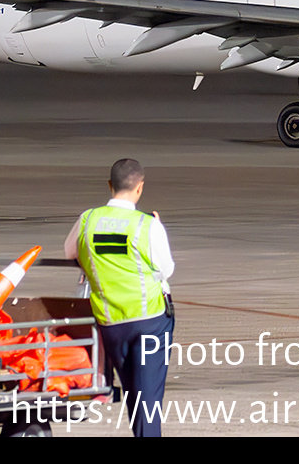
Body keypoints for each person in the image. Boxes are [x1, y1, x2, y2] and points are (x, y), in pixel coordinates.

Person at [64, 158, 175, 437]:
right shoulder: (145, 224)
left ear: (110, 186)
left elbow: (70, 251)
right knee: (148, 400)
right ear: (140, 188)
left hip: (112, 323)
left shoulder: (88, 219)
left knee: (134, 395)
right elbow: (166, 269)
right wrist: (159, 228)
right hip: (150, 321)